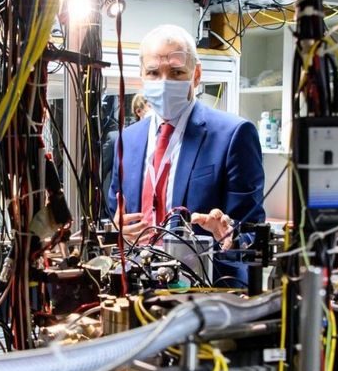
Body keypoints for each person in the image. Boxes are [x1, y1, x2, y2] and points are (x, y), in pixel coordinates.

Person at [106, 24, 265, 283]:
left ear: (196, 74)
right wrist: (118, 231)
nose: (164, 82)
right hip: (139, 289)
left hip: (208, 292)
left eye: (177, 72)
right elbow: (114, 217)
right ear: (142, 75)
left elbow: (254, 233)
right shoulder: (128, 140)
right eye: (154, 72)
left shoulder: (233, 135)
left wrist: (227, 235)